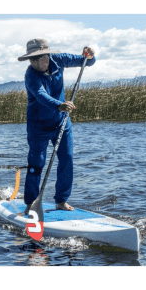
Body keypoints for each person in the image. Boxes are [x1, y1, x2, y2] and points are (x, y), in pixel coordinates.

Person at [17, 38, 96, 215]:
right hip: (38, 126)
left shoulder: (59, 60)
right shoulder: (30, 75)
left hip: (62, 122)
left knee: (66, 159)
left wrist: (89, 55)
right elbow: (40, 95)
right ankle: (31, 203)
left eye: (42, 57)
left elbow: (87, 62)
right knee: (36, 164)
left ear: (48, 54)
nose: (39, 62)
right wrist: (59, 105)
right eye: (34, 59)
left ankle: (61, 200)